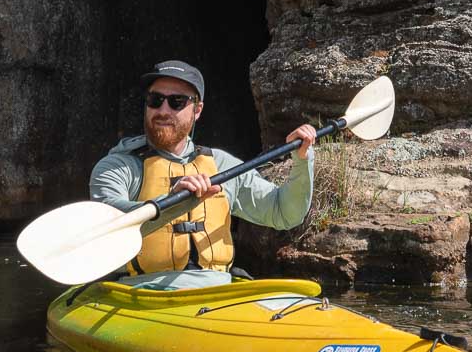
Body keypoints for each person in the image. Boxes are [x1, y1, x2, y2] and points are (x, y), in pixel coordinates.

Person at [90, 59, 317, 290]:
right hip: (143, 291)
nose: (163, 110)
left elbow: (284, 213)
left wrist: (302, 160)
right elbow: (110, 225)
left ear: (197, 110)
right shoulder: (117, 167)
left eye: (176, 102)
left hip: (217, 291)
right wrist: (175, 201)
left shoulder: (222, 164)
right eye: (155, 100)